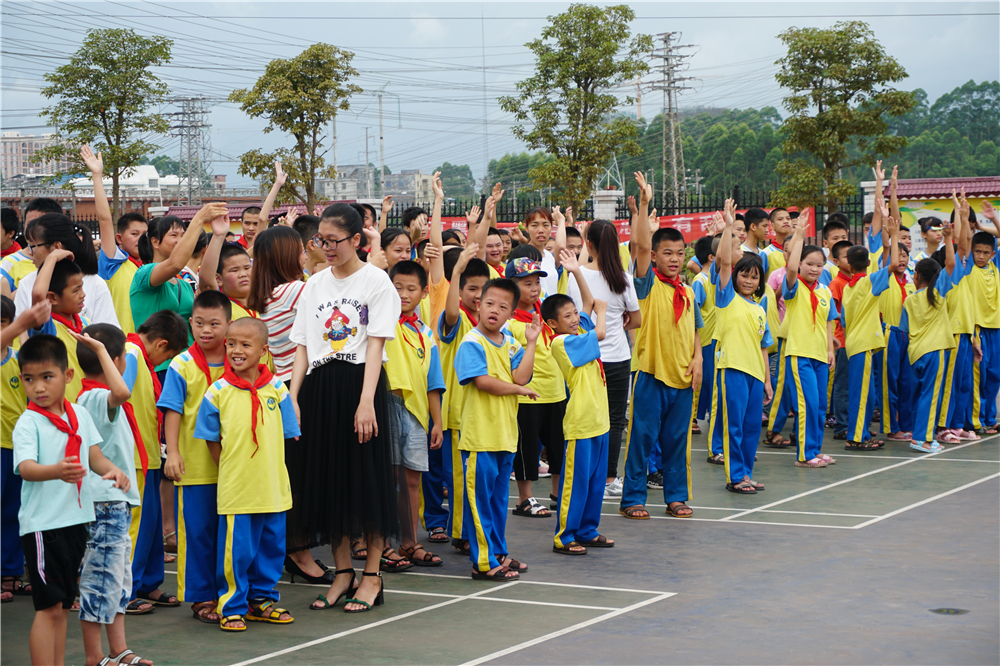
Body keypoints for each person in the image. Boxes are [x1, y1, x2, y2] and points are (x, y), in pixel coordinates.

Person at [289, 203, 401, 613]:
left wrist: (366, 401)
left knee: (366, 482)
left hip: (359, 384)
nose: (327, 248)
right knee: (329, 482)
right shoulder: (314, 284)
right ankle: (342, 573)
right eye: (321, 241)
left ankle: (371, 575)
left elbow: (375, 345)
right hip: (320, 389)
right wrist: (293, 398)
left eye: (334, 241)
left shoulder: (376, 281)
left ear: (356, 239)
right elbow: (303, 346)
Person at [13, 334, 129, 666]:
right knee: (47, 607)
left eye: (47, 377)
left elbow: (95, 457)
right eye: (29, 379)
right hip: (42, 526)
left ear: (67, 376)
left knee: (63, 605)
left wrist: (114, 471)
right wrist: (56, 471)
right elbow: (26, 468)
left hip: (76, 522)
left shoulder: (79, 414)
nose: (38, 387)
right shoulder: (28, 422)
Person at [193, 318, 300, 631]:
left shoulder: (278, 389)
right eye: (231, 344)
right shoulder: (217, 392)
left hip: (273, 488)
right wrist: (231, 468)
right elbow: (211, 440)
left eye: (245, 344)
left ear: (264, 350)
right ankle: (232, 605)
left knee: (271, 548)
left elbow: (287, 435)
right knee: (236, 552)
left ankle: (261, 600)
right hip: (237, 489)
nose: (236, 350)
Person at [620, 173, 702, 521]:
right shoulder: (647, 285)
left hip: (683, 377)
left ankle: (676, 497)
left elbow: (696, 330)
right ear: (655, 257)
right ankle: (632, 498)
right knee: (642, 438)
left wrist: (698, 359)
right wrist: (644, 205)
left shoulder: (688, 291)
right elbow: (639, 247)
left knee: (678, 441)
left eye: (680, 253)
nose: (675, 259)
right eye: (667, 253)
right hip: (652, 374)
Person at [73, 324, 151, 666]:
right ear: (117, 361)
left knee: (118, 579)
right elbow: (122, 391)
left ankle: (119, 649)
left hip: (115, 502)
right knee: (100, 579)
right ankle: (95, 656)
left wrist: (104, 353)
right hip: (103, 502)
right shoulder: (93, 397)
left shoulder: (95, 397)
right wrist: (104, 351)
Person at [456, 278, 539, 579]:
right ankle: (484, 563)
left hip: (505, 436)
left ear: (511, 314)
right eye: (489, 303)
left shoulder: (512, 342)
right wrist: (518, 390)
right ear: (478, 305)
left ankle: (498, 553)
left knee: (498, 502)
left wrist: (531, 342)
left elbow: (521, 376)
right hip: (480, 437)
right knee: (480, 503)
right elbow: (483, 382)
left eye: (503, 307)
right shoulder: (472, 342)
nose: (494, 310)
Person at [157, 291, 231, 622]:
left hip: (234, 468)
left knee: (230, 536)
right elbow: (172, 410)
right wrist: (173, 453)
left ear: (228, 324)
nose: (206, 330)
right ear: (190, 324)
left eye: (214, 323)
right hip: (195, 467)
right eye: (199, 323)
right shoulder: (181, 364)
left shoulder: (239, 360)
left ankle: (232, 593)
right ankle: (202, 596)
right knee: (198, 533)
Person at [568, 220, 641, 499]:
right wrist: (622, 321)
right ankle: (610, 478)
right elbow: (637, 320)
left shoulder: (577, 277)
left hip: (587, 357)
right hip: (618, 358)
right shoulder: (624, 279)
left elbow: (575, 317)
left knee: (585, 418)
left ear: (588, 245)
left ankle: (585, 474)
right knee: (614, 420)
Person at [381, 260, 445, 571]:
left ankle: (409, 542)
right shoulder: (381, 321)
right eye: (397, 287)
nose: (403, 294)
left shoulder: (425, 333)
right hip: (388, 405)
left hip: (417, 413)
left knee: (411, 480)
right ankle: (382, 544)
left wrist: (438, 422)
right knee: (388, 477)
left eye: (411, 289)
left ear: (423, 294)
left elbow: (433, 382)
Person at [125, 310, 189, 613]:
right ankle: (125, 590)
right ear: (162, 344)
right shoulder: (131, 353)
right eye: (169, 356)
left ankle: (148, 582)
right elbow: (120, 394)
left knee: (150, 526)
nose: (165, 361)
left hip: (148, 455)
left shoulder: (142, 357)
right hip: (133, 456)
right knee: (136, 526)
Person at [710, 204, 773, 492]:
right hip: (732, 369)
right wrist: (727, 227)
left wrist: (767, 381)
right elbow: (725, 262)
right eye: (744, 275)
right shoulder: (726, 299)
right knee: (733, 426)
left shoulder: (760, 309)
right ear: (736, 277)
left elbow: (763, 347)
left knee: (750, 428)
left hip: (756, 375)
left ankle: (746, 474)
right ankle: (735, 477)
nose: (748, 280)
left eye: (754, 277)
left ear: (760, 282)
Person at [546, 289, 614, 555]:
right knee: (576, 484)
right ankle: (564, 536)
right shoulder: (561, 342)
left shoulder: (577, 334)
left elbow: (587, 303)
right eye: (567, 316)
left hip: (599, 420)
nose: (575, 319)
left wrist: (576, 271)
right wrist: (602, 312)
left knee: (595, 484)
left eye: (575, 313)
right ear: (553, 323)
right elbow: (601, 332)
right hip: (581, 423)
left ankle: (587, 530)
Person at [437, 246, 491, 554]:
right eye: (472, 289)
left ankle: (472, 529)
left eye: (484, 289)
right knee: (459, 479)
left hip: (481, 415)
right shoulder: (457, 321)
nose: (478, 295)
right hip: (457, 415)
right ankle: (461, 532)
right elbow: (451, 313)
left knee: (477, 478)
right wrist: (456, 270)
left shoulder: (492, 325)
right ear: (459, 291)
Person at [506, 243, 565, 518]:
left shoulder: (546, 313)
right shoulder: (509, 323)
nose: (534, 288)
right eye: (527, 283)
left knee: (558, 447)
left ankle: (557, 493)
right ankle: (525, 498)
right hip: (527, 395)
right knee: (527, 449)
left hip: (555, 391)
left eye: (537, 283)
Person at [130, 203, 229, 362]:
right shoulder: (144, 274)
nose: (181, 240)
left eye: (183, 235)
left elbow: (207, 283)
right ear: (155, 242)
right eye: (174, 235)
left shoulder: (184, 284)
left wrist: (218, 236)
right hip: (159, 367)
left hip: (187, 366)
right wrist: (199, 218)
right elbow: (174, 264)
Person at [782, 221, 840, 467]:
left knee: (820, 406)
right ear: (799, 264)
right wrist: (799, 236)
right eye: (809, 264)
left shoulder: (824, 291)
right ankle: (805, 455)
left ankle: (815, 449)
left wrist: (829, 350)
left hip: (819, 355)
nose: (815, 269)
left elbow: (828, 321)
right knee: (807, 405)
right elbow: (791, 268)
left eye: (819, 265)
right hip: (800, 354)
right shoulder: (794, 287)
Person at [841, 212, 899, 450]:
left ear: (849, 265)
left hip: (857, 343)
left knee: (867, 393)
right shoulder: (869, 282)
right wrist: (894, 236)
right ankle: (855, 438)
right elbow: (893, 264)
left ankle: (862, 433)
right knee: (862, 394)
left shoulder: (848, 288)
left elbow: (844, 320)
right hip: (863, 344)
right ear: (867, 264)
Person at [82, 145, 146, 335]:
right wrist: (97, 175)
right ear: (119, 238)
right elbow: (104, 220)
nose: (141, 239)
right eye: (134, 234)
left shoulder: (151, 268)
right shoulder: (114, 261)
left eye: (145, 234)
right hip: (117, 345)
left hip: (144, 348)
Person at [901, 234, 956, 452]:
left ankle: (918, 434)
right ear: (938, 276)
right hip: (934, 351)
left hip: (915, 352)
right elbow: (951, 264)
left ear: (916, 276)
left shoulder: (909, 299)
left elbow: (905, 329)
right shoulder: (936, 292)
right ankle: (922, 439)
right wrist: (949, 238)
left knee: (917, 395)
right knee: (930, 396)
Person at [15, 213, 117, 328]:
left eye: (32, 246)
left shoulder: (96, 284)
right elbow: (20, 332)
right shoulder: (27, 283)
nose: (29, 252)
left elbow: (108, 333)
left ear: (56, 247)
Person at [1, 296, 28, 603]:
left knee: (13, 511)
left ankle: (10, 573)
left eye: (3, 323)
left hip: (16, 447)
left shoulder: (19, 360)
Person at [967, 208, 1000, 435]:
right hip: (977, 329)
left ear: (992, 254)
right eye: (977, 251)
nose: (980, 256)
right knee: (979, 377)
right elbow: (964, 244)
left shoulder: (995, 267)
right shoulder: (969, 268)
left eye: (985, 252)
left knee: (994, 375)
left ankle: (990, 418)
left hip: (996, 329)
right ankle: (976, 420)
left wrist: (992, 220)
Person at [1, 198, 62, 300]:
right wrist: (25, 289)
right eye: (30, 224)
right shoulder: (9, 263)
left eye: (40, 224)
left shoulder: (67, 258)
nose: (34, 229)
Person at [761, 207, 793, 279]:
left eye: (788, 218)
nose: (785, 221)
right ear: (772, 226)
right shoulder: (766, 253)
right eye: (780, 219)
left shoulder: (802, 249)